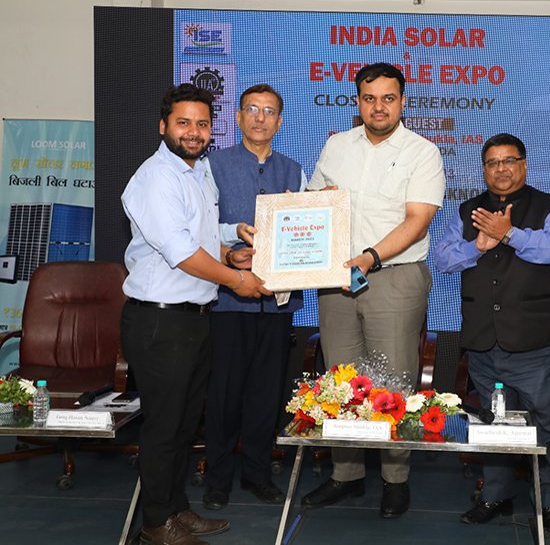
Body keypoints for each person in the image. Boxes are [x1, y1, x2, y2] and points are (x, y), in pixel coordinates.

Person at [120, 83, 271, 545]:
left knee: (185, 425)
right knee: (163, 428)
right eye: (183, 123)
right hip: (160, 321)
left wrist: (230, 250)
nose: (193, 132)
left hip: (193, 317)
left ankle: (175, 509)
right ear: (162, 126)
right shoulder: (155, 178)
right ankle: (155, 524)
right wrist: (237, 280)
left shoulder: (198, 170)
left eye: (202, 124)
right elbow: (182, 252)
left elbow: (200, 238)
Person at [300, 62, 445, 518]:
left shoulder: (423, 152)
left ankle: (395, 479)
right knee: (340, 379)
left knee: (393, 380)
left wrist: (369, 257)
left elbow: (417, 220)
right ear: (357, 101)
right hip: (336, 280)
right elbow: (313, 207)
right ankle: (346, 474)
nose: (378, 107)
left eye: (388, 98)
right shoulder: (336, 146)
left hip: (394, 276)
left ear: (402, 102)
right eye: (369, 98)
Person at [434, 133, 550, 534]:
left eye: (509, 160)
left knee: (544, 426)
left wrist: (510, 234)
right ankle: (495, 495)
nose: (501, 169)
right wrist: (476, 246)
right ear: (484, 169)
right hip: (483, 341)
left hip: (533, 343)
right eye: (493, 162)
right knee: (493, 424)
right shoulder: (466, 210)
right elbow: (442, 259)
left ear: (524, 165)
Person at [201, 84, 307, 511]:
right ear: (238, 117)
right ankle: (218, 478)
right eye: (252, 109)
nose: (260, 118)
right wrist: (232, 240)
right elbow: (198, 227)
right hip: (228, 300)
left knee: (267, 394)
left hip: (277, 303)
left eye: (269, 111)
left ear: (280, 122)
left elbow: (306, 231)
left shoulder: (294, 171)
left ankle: (258, 474)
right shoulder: (211, 166)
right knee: (224, 394)